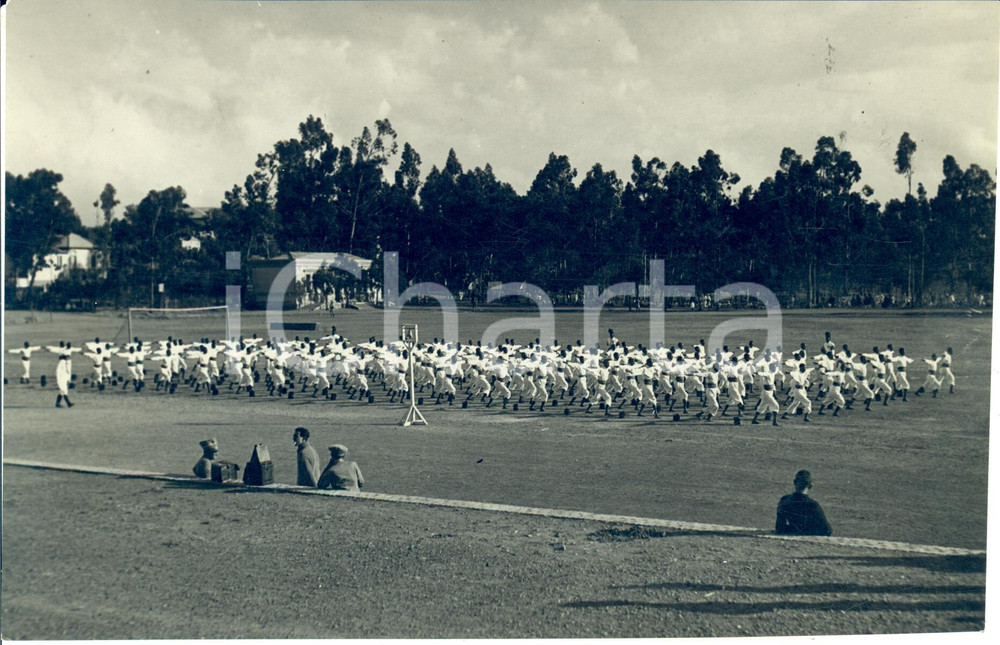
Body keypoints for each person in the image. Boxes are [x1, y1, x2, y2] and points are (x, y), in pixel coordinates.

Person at [775, 470, 832, 536]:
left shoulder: (784, 500)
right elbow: (827, 530)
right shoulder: (812, 505)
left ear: (794, 482)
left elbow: (780, 528)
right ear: (810, 486)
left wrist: (794, 529)